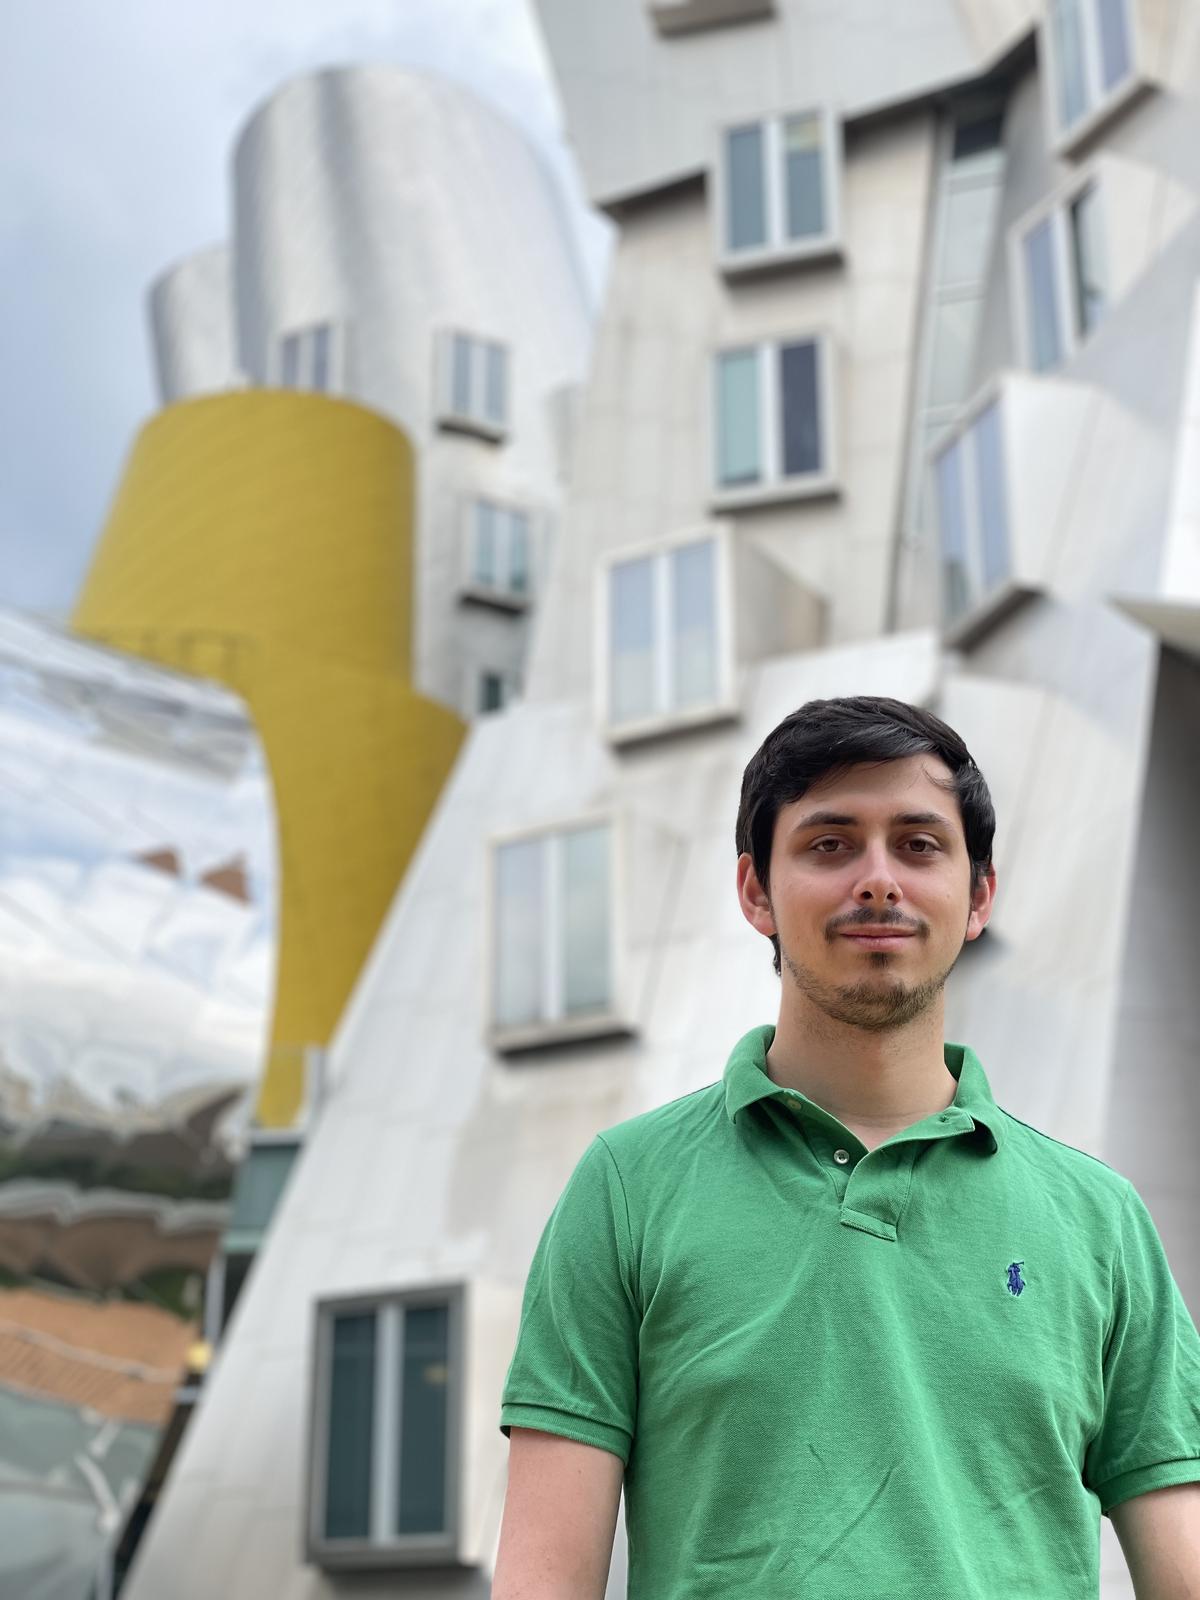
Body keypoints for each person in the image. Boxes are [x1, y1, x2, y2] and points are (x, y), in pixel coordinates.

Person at [492, 696, 1200, 1598]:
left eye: (919, 844)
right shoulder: (626, 1187)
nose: (878, 880)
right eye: (830, 844)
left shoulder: (1099, 1219)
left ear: (980, 894)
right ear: (756, 892)